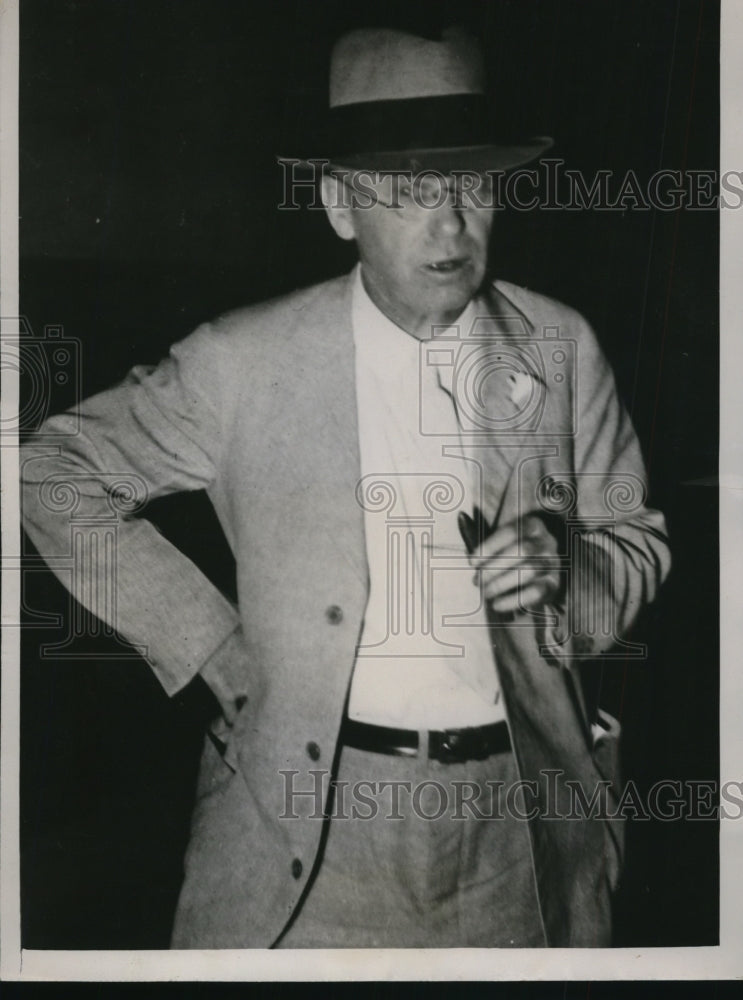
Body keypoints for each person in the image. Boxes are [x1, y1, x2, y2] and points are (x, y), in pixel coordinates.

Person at [20, 27, 670, 948]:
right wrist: (211, 647)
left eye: (473, 183)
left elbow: (633, 535)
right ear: (337, 204)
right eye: (410, 189)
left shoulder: (559, 346)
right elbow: (51, 471)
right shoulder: (242, 361)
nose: (450, 221)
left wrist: (568, 560)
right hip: (308, 839)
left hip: (516, 838)